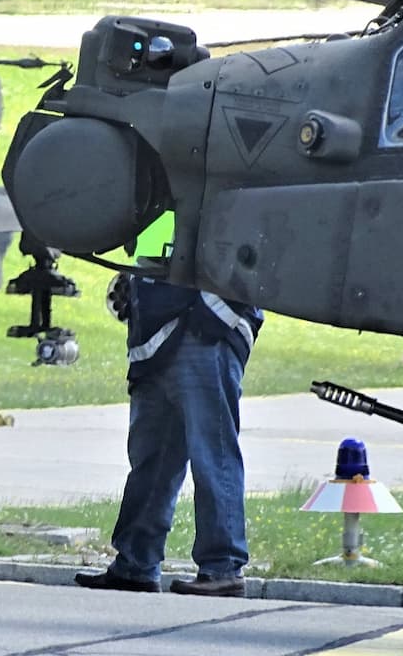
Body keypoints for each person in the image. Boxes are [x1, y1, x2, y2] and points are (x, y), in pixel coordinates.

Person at [75, 215, 262, 597]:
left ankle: (223, 567)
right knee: (152, 458)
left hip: (202, 329)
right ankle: (135, 564)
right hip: (157, 324)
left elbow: (257, 239)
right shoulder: (154, 187)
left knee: (213, 454)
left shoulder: (224, 179)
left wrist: (216, 314)